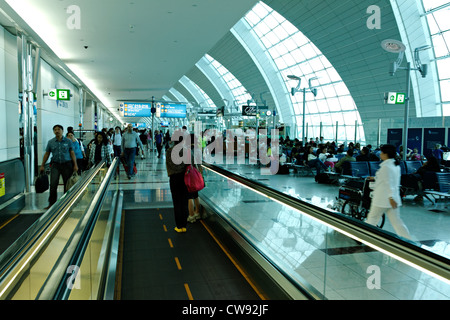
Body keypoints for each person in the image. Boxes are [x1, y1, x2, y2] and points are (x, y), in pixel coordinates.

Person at [366, 144, 412, 240]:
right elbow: (389, 180)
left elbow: (389, 183)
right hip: (393, 199)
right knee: (397, 222)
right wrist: (375, 178)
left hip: (382, 199)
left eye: (382, 152)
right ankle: (408, 240)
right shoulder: (395, 165)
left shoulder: (386, 167)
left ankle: (364, 237)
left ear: (386, 154)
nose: (380, 154)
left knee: (372, 218)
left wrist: (390, 197)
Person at [40, 125, 78, 209]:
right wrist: (42, 165)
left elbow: (72, 153)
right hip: (55, 165)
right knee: (53, 184)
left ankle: (66, 202)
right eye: (55, 130)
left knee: (67, 184)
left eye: (59, 129)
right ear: (53, 131)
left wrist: (75, 165)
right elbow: (47, 154)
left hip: (67, 165)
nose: (57, 131)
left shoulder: (68, 141)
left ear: (62, 131)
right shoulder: (51, 142)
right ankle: (51, 203)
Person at [166, 131, 189, 232]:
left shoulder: (169, 151)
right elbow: (190, 164)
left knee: (177, 202)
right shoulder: (186, 151)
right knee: (184, 202)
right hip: (185, 178)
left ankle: (178, 226)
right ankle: (184, 225)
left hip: (174, 178)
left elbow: (168, 164)